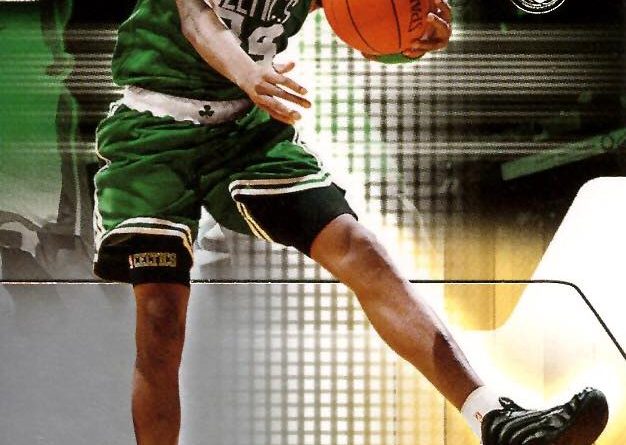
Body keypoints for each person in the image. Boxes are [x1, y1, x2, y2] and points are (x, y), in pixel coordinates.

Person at [92, 0, 610, 443]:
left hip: (244, 132)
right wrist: (249, 74)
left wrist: (412, 33)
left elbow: (362, 18)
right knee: (160, 316)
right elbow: (197, 20)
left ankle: (495, 418)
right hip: (154, 131)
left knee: (360, 249)